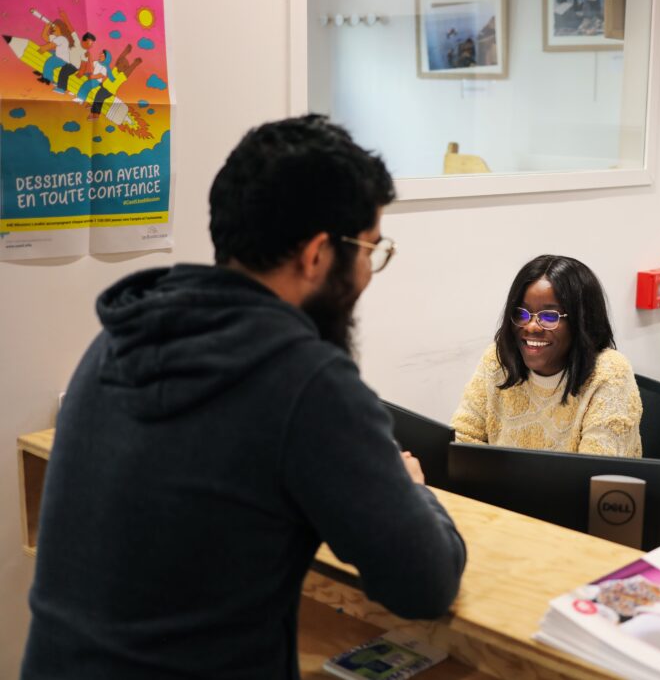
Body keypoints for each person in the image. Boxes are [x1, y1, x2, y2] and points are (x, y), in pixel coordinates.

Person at [21, 115, 466, 680]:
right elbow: (424, 583)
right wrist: (412, 489)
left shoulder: (117, 337)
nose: (368, 274)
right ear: (316, 255)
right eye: (369, 250)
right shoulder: (305, 381)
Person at [451, 254, 642, 457]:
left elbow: (594, 472)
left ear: (582, 322)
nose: (532, 326)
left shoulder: (609, 373)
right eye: (522, 313)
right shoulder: (499, 359)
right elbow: (461, 438)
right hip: (498, 488)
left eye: (550, 316)